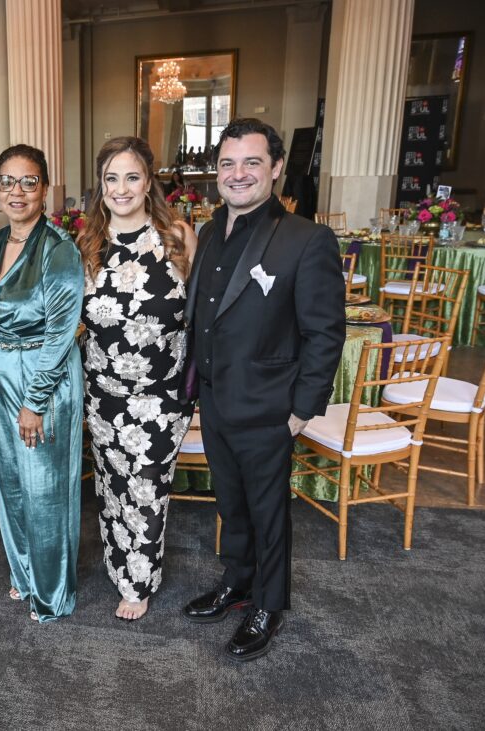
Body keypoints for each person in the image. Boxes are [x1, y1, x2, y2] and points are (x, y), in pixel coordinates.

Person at [181, 118, 344, 661]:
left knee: (269, 511)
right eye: (228, 163)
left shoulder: (307, 239)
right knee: (231, 502)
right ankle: (238, 583)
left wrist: (301, 411)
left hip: (271, 407)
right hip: (217, 399)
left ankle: (269, 605)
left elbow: (325, 333)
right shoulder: (208, 231)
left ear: (276, 169)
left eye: (252, 162)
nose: (238, 173)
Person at [77, 136, 197, 621]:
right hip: (103, 391)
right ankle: (117, 561)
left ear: (149, 182)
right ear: (100, 185)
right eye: (111, 178)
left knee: (147, 485)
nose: (121, 188)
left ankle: (139, 580)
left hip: (162, 393)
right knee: (111, 484)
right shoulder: (87, 244)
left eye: (131, 177)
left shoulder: (178, 238)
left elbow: (198, 315)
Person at [0, 144, 84, 623]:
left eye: (28, 182)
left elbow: (61, 332)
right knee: (10, 482)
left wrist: (35, 401)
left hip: (42, 376)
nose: (17, 192)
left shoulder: (59, 250)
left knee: (44, 488)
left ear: (45, 189)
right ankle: (25, 573)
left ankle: (53, 592)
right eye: (7, 181)